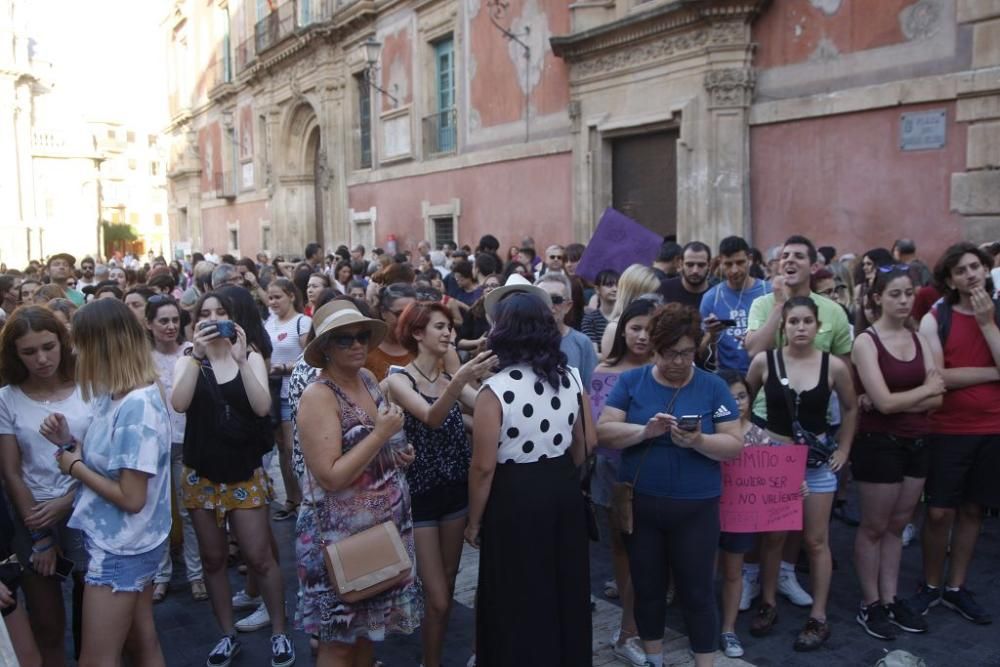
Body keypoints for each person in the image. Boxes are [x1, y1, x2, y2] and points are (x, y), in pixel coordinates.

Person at [597, 303, 742, 667]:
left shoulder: (712, 386)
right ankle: (654, 658)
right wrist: (645, 431)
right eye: (669, 353)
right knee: (648, 588)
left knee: (697, 591)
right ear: (655, 349)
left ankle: (704, 661)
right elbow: (605, 431)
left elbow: (734, 445)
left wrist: (699, 442)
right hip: (644, 503)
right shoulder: (632, 381)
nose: (678, 362)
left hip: (696, 506)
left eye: (687, 353)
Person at [38, 298, 171, 667]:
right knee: (141, 642)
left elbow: (131, 497)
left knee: (96, 658)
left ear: (102, 345)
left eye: (79, 342)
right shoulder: (113, 395)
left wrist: (74, 465)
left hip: (122, 547)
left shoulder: (135, 405)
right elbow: (110, 465)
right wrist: (68, 444)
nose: (74, 351)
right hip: (127, 541)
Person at [466, 292, 596, 666]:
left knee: (515, 591)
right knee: (564, 585)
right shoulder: (570, 376)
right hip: (561, 487)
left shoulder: (496, 390)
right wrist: (559, 472)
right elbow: (588, 440)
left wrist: (474, 522)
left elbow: (483, 467)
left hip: (514, 496)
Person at [295, 301, 422, 666]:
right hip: (339, 538)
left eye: (362, 336)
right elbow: (330, 476)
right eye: (344, 339)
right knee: (339, 641)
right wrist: (381, 436)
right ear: (326, 349)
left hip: (381, 529)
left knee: (369, 632)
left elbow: (373, 445)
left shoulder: (367, 379)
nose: (356, 345)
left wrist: (397, 452)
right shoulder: (319, 396)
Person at [171, 291, 295, 667]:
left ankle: (279, 631)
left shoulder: (251, 355)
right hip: (201, 472)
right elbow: (178, 403)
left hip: (242, 471)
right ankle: (226, 634)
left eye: (220, 312)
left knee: (259, 557)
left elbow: (261, 407)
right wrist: (196, 356)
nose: (212, 319)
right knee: (212, 559)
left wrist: (241, 361)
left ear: (233, 317)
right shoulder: (188, 360)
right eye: (204, 314)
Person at [745, 296, 858, 651]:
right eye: (794, 322)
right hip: (775, 459)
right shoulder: (764, 361)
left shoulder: (834, 366)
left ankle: (819, 616)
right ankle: (768, 601)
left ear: (818, 325)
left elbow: (852, 408)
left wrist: (843, 449)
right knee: (773, 536)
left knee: (816, 540)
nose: (800, 328)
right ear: (783, 326)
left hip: (817, 461)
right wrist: (753, 440)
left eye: (807, 321)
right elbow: (742, 403)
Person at [389, 302, 495, 667]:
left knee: (447, 588)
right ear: (417, 333)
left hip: (454, 492)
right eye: (439, 327)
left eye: (449, 327)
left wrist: (491, 383)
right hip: (419, 497)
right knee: (436, 595)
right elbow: (432, 417)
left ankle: (430, 658)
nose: (449, 333)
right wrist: (463, 377)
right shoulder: (398, 380)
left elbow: (485, 408)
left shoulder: (450, 380)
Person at [851, 266, 944, 639]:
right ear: (878, 298)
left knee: (897, 525)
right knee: (874, 526)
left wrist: (912, 397)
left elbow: (939, 396)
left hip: (919, 440)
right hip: (879, 445)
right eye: (895, 294)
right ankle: (870, 603)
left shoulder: (921, 337)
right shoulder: (866, 342)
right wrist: (919, 393)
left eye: (908, 293)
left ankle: (890, 598)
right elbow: (885, 403)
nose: (904, 300)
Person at [910, 242, 999, 625]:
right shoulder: (936, 317)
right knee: (939, 511)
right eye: (961, 270)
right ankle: (931, 585)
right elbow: (938, 377)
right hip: (947, 429)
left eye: (976, 267)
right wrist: (994, 373)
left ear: (986, 270)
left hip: (992, 428)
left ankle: (957, 587)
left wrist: (986, 324)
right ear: (949, 279)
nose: (971, 275)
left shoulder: (995, 314)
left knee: (973, 509)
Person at [0, 307, 91, 666]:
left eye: (48, 347)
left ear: (62, 342)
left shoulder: (88, 384)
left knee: (96, 620)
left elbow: (102, 458)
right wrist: (39, 534)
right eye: (29, 352)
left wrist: (68, 501)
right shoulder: (7, 397)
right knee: (48, 625)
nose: (41, 359)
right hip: (32, 513)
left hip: (87, 507)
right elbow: (10, 471)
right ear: (14, 354)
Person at [589, 298, 656, 666]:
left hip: (655, 471)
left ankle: (634, 624)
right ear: (623, 330)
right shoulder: (605, 370)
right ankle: (628, 626)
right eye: (635, 328)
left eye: (649, 329)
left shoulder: (666, 369)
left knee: (647, 551)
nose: (643, 336)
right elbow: (598, 431)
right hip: (614, 472)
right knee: (621, 547)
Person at [145, 295, 207, 604]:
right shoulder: (143, 358)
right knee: (158, 511)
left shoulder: (191, 351)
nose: (170, 326)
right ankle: (161, 574)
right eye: (163, 321)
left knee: (188, 510)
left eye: (174, 320)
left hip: (189, 440)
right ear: (149, 324)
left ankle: (195, 574)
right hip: (154, 443)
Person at [715, 369, 771, 659]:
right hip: (708, 512)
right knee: (704, 570)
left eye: (741, 396)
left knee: (734, 572)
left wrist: (792, 486)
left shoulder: (760, 436)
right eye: (729, 397)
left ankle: (728, 628)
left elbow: (776, 476)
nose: (736, 403)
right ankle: (704, 625)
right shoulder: (708, 430)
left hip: (740, 515)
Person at [264, 278, 311, 522]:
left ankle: (304, 499)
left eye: (277, 297)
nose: (273, 302)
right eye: (270, 298)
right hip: (274, 392)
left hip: (297, 392)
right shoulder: (269, 323)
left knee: (294, 448)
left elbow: (311, 359)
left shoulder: (302, 323)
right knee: (282, 448)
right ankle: (291, 498)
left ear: (291, 296)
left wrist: (285, 367)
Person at [700, 236, 771, 374]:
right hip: (728, 377)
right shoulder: (711, 298)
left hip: (766, 373)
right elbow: (701, 352)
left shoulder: (768, 292)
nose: (734, 270)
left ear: (749, 259)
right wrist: (711, 334)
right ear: (720, 262)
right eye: (728, 264)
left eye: (740, 262)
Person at [537, 273, 599, 386]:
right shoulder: (524, 341)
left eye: (556, 299)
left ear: (568, 306)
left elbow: (592, 391)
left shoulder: (582, 342)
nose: (549, 305)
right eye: (543, 299)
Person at [599, 264, 661, 360]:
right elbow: (609, 370)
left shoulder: (660, 324)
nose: (655, 299)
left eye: (656, 293)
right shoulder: (614, 329)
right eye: (650, 294)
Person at [365, 283, 418, 381]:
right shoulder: (366, 348)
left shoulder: (424, 346)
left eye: (411, 314)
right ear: (383, 312)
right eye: (399, 314)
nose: (406, 320)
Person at [658, 242, 712, 309]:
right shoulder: (663, 290)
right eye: (690, 265)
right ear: (681, 264)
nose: (695, 271)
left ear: (709, 265)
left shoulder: (717, 295)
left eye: (701, 265)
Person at [581, 269, 619, 353]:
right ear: (597, 289)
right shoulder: (590, 319)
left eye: (618, 285)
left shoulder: (625, 316)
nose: (615, 289)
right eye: (609, 285)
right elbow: (593, 354)